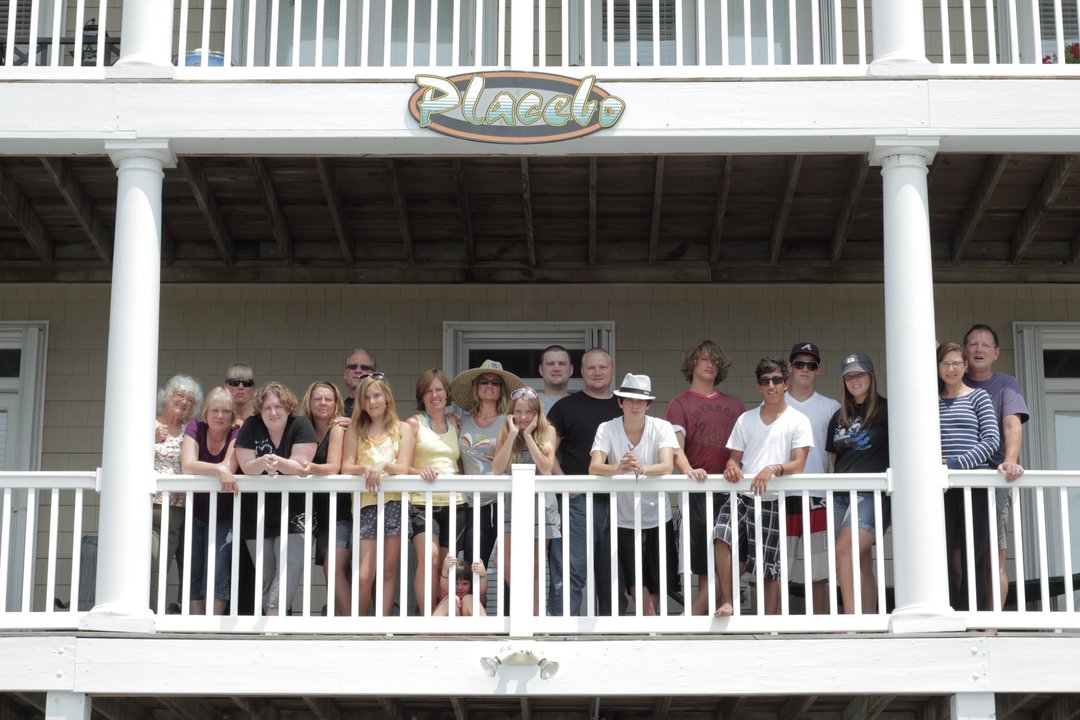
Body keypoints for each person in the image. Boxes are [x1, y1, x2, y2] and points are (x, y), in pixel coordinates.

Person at [713, 357, 812, 617]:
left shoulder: (798, 420)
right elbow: (734, 458)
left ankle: (769, 623)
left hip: (773, 499)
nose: (771, 386)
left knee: (770, 566)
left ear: (785, 383)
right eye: (765, 381)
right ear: (758, 386)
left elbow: (799, 463)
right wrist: (731, 467)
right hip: (742, 496)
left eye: (777, 380)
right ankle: (728, 601)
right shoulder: (745, 419)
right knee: (721, 535)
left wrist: (773, 468)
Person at [590, 374, 679, 616]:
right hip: (623, 518)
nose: (635, 405)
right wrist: (619, 468)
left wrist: (641, 468)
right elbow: (594, 466)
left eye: (640, 401)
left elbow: (667, 466)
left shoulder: (661, 426)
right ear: (620, 402)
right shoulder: (607, 428)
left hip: (658, 515)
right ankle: (651, 624)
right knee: (633, 579)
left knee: (658, 577)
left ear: (648, 405)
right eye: (629, 400)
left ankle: (650, 627)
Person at [665, 340, 744, 615]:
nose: (710, 364)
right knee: (703, 560)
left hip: (733, 490)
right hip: (698, 490)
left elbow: (744, 447)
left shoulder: (735, 405)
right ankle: (706, 621)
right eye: (704, 359)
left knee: (733, 552)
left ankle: (705, 613)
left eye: (715, 360)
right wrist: (688, 470)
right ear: (692, 364)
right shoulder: (679, 404)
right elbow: (675, 448)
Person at [546, 347, 622, 616]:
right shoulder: (566, 407)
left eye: (603, 367)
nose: (597, 372)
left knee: (614, 574)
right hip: (578, 503)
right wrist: (564, 483)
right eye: (591, 367)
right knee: (571, 570)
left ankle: (614, 633)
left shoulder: (625, 405)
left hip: (620, 502)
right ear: (581, 372)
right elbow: (547, 453)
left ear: (612, 370)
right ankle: (562, 630)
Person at [235, 381, 317, 616]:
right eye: (267, 408)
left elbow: (300, 464)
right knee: (265, 576)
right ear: (260, 411)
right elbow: (246, 466)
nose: (273, 412)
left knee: (290, 566)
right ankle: (273, 624)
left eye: (278, 406)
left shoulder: (301, 425)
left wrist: (277, 462)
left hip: (295, 512)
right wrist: (263, 462)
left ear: (288, 408)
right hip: (257, 513)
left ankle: (272, 623)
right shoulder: (251, 426)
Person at [963, 324, 1029, 610]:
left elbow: (1012, 424)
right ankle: (967, 617)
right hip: (958, 477)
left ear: (996, 353)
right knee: (958, 555)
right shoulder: (952, 381)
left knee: (993, 555)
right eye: (973, 344)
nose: (979, 350)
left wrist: (1010, 460)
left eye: (985, 345)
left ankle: (992, 623)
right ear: (964, 351)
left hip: (993, 478)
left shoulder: (1005, 384)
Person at [342, 374, 416, 617]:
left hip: (395, 502)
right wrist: (366, 468)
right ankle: (361, 625)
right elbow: (346, 467)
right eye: (366, 397)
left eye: (377, 396)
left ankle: (383, 625)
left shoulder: (402, 428)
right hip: (366, 504)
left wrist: (383, 465)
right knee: (364, 574)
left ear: (387, 398)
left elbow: (403, 467)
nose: (372, 402)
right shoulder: (355, 429)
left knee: (388, 570)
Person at [938, 341, 1000, 612]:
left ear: (964, 366)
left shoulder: (978, 397)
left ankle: (974, 616)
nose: (950, 369)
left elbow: (991, 440)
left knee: (972, 555)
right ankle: (949, 613)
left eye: (956, 363)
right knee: (941, 555)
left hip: (974, 485)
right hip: (940, 487)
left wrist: (954, 464)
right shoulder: (931, 402)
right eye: (945, 363)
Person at [826, 353, 890, 614]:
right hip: (841, 495)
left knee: (845, 550)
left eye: (859, 374)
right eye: (849, 376)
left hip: (871, 493)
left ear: (871, 376)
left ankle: (852, 622)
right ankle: (869, 621)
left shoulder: (888, 410)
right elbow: (834, 457)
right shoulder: (838, 416)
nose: (854, 380)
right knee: (861, 560)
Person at [491, 386, 559, 615]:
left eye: (529, 412)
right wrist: (512, 435)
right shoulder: (505, 432)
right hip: (513, 508)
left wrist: (529, 436)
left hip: (541, 508)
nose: (523, 417)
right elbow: (497, 468)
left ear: (537, 413)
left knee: (535, 568)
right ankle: (536, 614)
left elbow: (546, 468)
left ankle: (536, 619)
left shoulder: (548, 431)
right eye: (518, 412)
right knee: (503, 562)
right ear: (511, 413)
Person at [451, 360, 524, 568]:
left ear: (501, 390)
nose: (489, 385)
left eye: (495, 382)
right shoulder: (462, 421)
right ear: (476, 387)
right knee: (468, 563)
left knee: (497, 564)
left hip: (497, 501)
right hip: (467, 501)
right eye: (484, 381)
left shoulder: (508, 421)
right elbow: (458, 458)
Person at [783, 342, 839, 614]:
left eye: (811, 364)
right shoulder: (775, 403)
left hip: (819, 496)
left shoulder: (831, 407)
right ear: (789, 367)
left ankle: (821, 625)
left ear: (819, 370)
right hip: (783, 495)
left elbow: (836, 457)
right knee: (779, 568)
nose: (805, 369)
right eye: (799, 364)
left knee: (820, 570)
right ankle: (773, 627)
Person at [406, 368, 467, 615]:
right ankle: (427, 619)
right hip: (423, 502)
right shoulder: (414, 424)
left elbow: (460, 464)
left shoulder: (455, 425)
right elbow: (401, 465)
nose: (434, 395)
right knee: (429, 558)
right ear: (421, 396)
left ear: (447, 393)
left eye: (439, 389)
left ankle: (443, 618)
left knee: (446, 564)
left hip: (456, 503)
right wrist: (418, 471)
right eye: (428, 391)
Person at [180, 385, 240, 616]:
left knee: (217, 569)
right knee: (193, 568)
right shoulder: (195, 427)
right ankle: (196, 624)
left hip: (225, 515)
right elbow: (187, 465)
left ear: (232, 416)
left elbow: (229, 466)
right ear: (206, 412)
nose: (220, 416)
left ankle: (212, 624)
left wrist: (220, 468)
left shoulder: (236, 433)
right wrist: (217, 469)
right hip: (195, 512)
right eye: (215, 410)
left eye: (226, 411)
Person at [152, 374, 203, 612]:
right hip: (148, 504)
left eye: (190, 400)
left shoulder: (188, 433)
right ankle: (149, 612)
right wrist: (151, 439)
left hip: (177, 508)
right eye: (179, 395)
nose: (184, 402)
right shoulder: (148, 424)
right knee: (152, 562)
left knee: (165, 564)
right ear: (167, 396)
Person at [299, 381, 347, 614]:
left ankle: (352, 624)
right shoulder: (302, 428)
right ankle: (336, 620)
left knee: (334, 567)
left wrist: (306, 467)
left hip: (339, 509)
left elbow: (333, 467)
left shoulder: (338, 428)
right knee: (328, 570)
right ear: (309, 402)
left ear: (336, 403)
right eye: (317, 398)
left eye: (328, 399)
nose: (323, 403)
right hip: (311, 509)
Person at [536, 344, 573, 616]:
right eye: (550, 363)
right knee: (528, 562)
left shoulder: (578, 403)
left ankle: (557, 620)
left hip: (568, 496)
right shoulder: (530, 404)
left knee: (563, 563)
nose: (556, 368)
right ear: (541, 369)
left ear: (571, 370)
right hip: (532, 492)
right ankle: (527, 618)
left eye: (562, 363)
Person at [342, 349, 377, 419]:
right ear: (344, 374)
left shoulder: (381, 408)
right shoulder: (336, 410)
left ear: (373, 374)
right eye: (353, 367)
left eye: (364, 367)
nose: (358, 371)